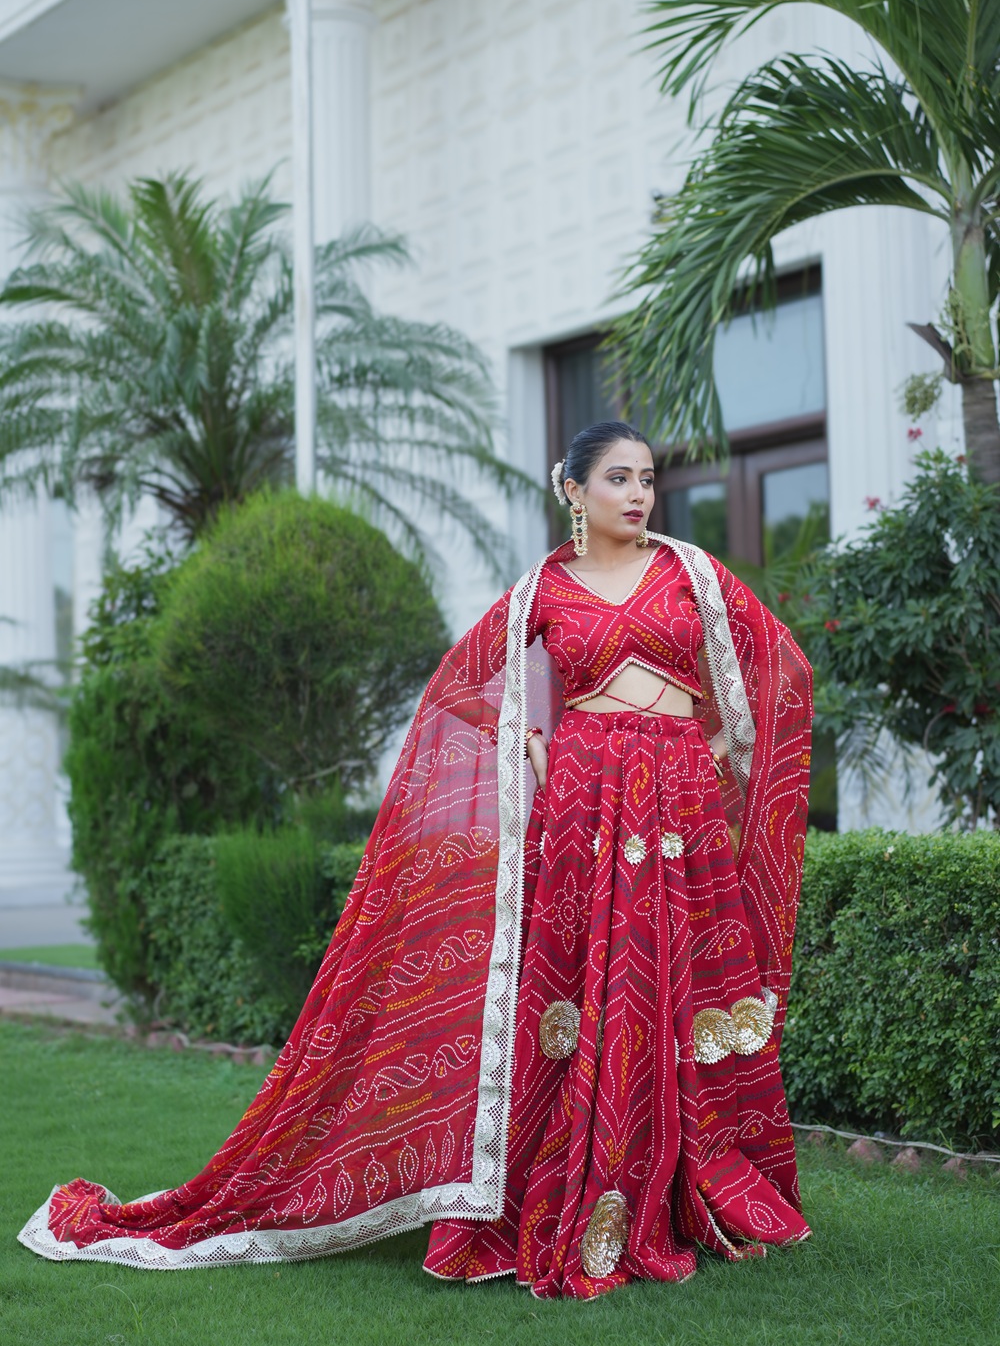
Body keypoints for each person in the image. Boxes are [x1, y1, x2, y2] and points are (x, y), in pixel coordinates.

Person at [19, 422, 813, 1300]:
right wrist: (534, 749)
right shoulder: (538, 593)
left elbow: (779, 666)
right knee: (593, 989)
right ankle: (574, 1194)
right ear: (573, 492)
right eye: (617, 479)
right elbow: (459, 694)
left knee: (679, 984)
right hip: (587, 808)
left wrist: (710, 756)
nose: (637, 494)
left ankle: (682, 1196)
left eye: (648, 479)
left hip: (680, 806)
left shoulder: (692, 574)